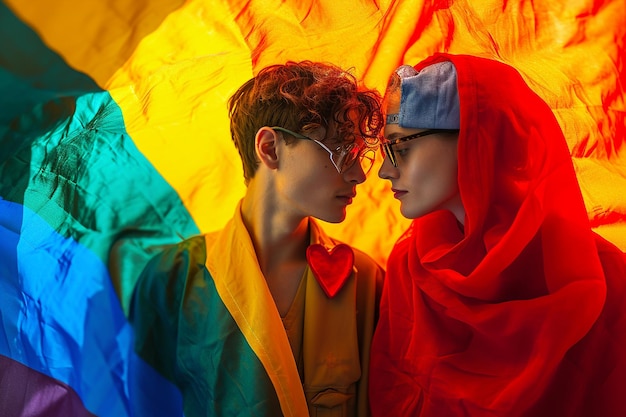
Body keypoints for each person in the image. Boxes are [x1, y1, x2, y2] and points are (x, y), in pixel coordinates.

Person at [369, 53, 626, 417]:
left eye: (402, 149)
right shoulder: (411, 268)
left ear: (476, 140)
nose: (384, 171)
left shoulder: (604, 277)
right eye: (386, 149)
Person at [129, 61, 385, 417]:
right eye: (341, 151)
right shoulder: (174, 277)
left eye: (360, 155)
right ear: (270, 148)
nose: (358, 175)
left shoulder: (365, 279)